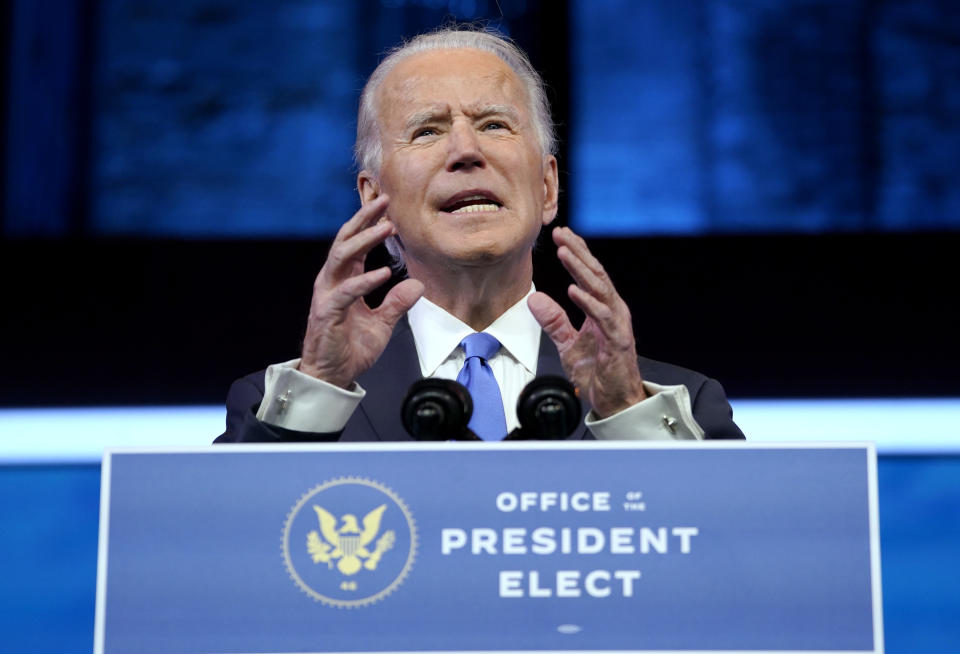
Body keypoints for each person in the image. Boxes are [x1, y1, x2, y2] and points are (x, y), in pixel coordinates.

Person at [216, 27, 744, 443]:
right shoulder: (283, 401)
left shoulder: (678, 404)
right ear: (374, 199)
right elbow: (230, 554)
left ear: (546, 186)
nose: (466, 151)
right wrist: (322, 387)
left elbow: (732, 560)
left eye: (494, 124)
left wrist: (627, 409)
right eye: (427, 131)